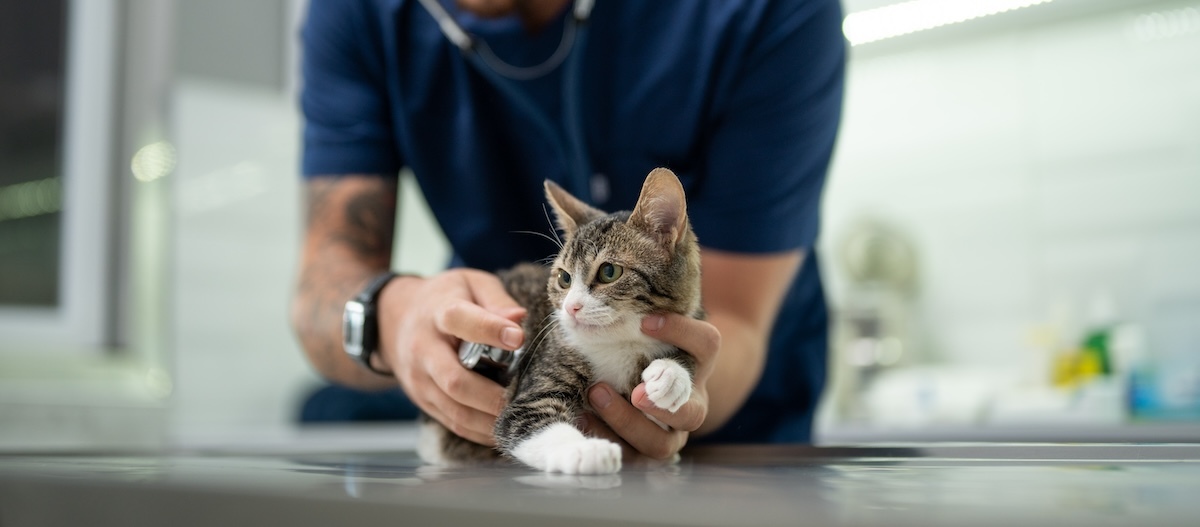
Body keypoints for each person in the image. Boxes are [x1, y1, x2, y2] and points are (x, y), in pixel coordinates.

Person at [291, 0, 845, 459]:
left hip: (734, 443)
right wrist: (392, 315)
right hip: (508, 402)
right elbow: (321, 289)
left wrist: (663, 394)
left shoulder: (770, 12)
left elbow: (733, 322)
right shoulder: (353, 13)